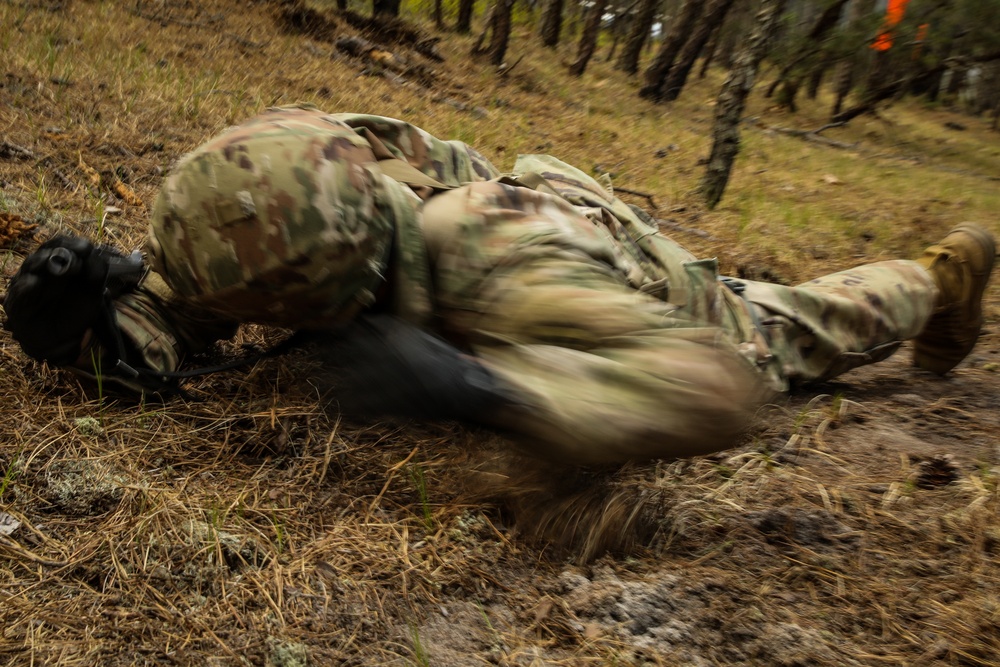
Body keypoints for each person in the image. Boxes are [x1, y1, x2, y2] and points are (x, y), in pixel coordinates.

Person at [3, 106, 995, 465]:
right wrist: (114, 317)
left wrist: (490, 393)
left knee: (788, 326)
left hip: (579, 262)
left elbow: (710, 389)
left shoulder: (497, 271)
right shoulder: (299, 178)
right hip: (504, 217)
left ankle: (940, 274)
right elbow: (219, 288)